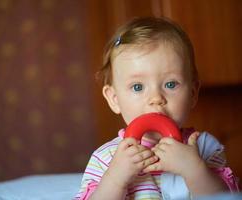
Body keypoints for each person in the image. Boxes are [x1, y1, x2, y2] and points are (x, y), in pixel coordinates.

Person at [75, 17, 239, 200]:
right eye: (138, 87)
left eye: (170, 84)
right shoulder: (106, 158)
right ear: (114, 99)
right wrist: (115, 178)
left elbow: (227, 198)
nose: (156, 99)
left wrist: (194, 170)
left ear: (193, 93)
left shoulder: (203, 148)